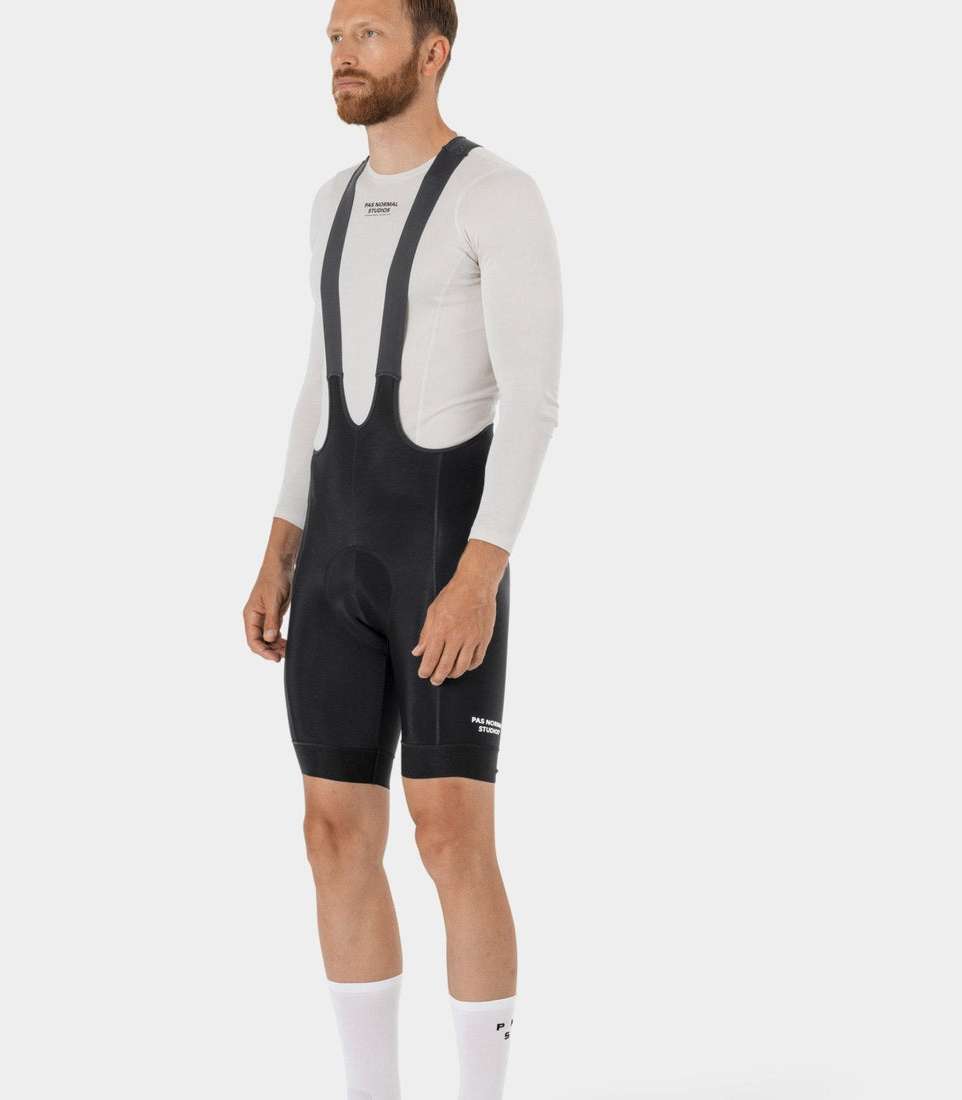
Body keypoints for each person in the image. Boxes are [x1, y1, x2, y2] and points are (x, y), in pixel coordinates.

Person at [243, 1, 562, 1096]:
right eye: (334, 36)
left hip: (437, 560)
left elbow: (531, 398)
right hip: (334, 557)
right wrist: (280, 545)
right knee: (331, 831)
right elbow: (318, 381)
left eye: (368, 34)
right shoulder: (329, 202)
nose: (342, 53)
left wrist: (481, 573)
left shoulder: (496, 195)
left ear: (433, 53)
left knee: (449, 834)